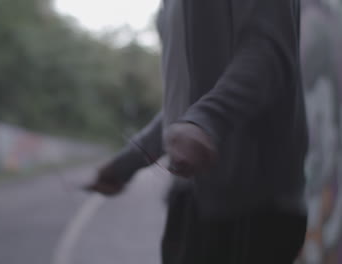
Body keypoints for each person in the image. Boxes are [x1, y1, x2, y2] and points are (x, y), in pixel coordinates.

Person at [86, 0, 308, 263]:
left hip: (250, 204)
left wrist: (208, 120)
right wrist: (128, 162)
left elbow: (267, 54)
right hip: (193, 201)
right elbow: (186, 109)